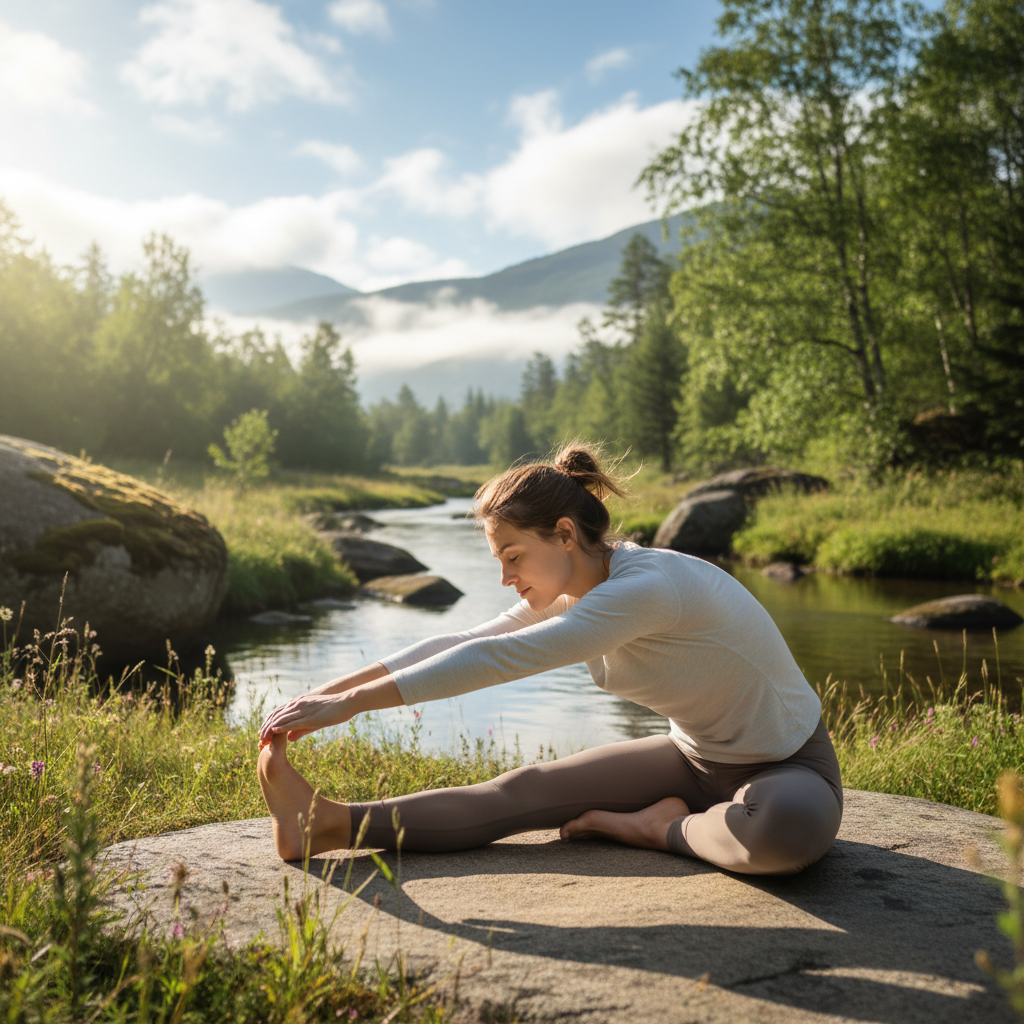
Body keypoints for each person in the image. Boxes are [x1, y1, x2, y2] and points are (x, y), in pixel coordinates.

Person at [257, 445, 843, 875]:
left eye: (512, 556)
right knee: (522, 791)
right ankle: (327, 823)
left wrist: (352, 706)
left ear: (565, 533)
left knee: (781, 831)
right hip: (691, 760)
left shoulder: (645, 587)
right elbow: (465, 640)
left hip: (786, 766)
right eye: (498, 560)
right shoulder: (577, 586)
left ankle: (657, 828)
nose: (506, 578)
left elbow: (502, 658)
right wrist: (327, 696)